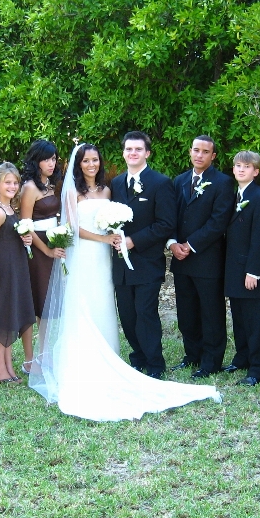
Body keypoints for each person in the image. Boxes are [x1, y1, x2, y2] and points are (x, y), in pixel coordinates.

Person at [29, 144, 221, 421]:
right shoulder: (76, 190)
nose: (91, 164)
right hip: (84, 256)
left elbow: (134, 223)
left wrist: (117, 238)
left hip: (109, 260)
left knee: (110, 305)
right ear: (79, 164)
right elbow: (73, 227)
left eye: (95, 159)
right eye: (86, 161)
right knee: (87, 306)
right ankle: (84, 364)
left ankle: (128, 360)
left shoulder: (110, 189)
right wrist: (105, 239)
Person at [109, 131, 176, 379]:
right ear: (124, 153)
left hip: (147, 262)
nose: (133, 153)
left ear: (147, 153)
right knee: (127, 314)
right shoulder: (116, 184)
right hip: (120, 265)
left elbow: (165, 224)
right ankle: (137, 358)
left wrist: (133, 241)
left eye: (138, 149)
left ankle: (155, 363)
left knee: (145, 313)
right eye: (128, 149)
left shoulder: (160, 183)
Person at [168, 136, 235, 378]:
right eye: (196, 150)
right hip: (180, 258)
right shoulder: (180, 181)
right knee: (186, 312)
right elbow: (171, 216)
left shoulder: (223, 183)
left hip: (207, 259)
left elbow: (218, 222)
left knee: (211, 312)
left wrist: (191, 244)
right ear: (190, 151)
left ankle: (211, 361)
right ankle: (192, 354)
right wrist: (173, 242)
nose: (199, 155)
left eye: (205, 152)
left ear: (213, 156)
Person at [0, 162, 36, 384]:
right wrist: (4, 253)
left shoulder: (11, 209)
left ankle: (8, 367)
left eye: (15, 182)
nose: (12, 186)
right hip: (2, 270)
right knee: (2, 317)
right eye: (7, 182)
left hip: (15, 268)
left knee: (10, 315)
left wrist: (24, 240)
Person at [223, 151, 260, 386]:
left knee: (255, 321)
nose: (241, 169)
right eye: (237, 166)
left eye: (247, 166)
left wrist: (253, 271)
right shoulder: (235, 195)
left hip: (250, 271)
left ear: (256, 171)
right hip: (234, 268)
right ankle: (242, 357)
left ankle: (259, 367)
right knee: (239, 317)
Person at [19, 139, 65, 373]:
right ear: (36, 161)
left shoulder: (50, 185)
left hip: (52, 245)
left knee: (47, 306)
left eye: (54, 158)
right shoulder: (29, 187)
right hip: (36, 251)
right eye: (47, 159)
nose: (51, 163)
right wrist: (46, 249)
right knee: (37, 303)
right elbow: (25, 225)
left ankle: (44, 353)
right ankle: (30, 359)